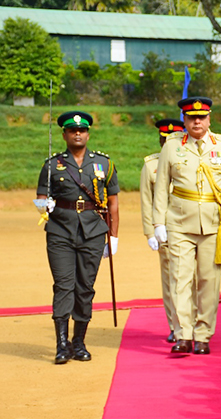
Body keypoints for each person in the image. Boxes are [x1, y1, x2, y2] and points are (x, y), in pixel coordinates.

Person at [152, 97, 221, 355]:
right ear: (184, 120)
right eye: (191, 118)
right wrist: (158, 222)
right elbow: (161, 188)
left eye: (201, 117)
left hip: (214, 225)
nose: (196, 122)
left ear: (209, 118)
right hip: (179, 223)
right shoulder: (172, 146)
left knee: (208, 281)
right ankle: (183, 334)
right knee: (179, 279)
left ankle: (203, 334)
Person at [36, 111, 119, 364]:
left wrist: (113, 236)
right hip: (60, 231)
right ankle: (61, 345)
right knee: (63, 286)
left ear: (88, 133)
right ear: (64, 135)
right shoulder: (52, 164)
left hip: (93, 232)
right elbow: (40, 197)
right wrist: (43, 206)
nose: (78, 133)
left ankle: (79, 342)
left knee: (85, 288)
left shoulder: (104, 163)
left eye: (82, 130)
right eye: (72, 131)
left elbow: (113, 202)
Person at [140, 118, 185, 343]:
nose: (168, 142)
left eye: (173, 138)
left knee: (194, 278)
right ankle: (176, 325)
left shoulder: (191, 160)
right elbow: (147, 201)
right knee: (171, 281)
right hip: (165, 231)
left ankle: (193, 323)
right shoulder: (151, 165)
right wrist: (150, 232)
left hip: (190, 228)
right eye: (164, 139)